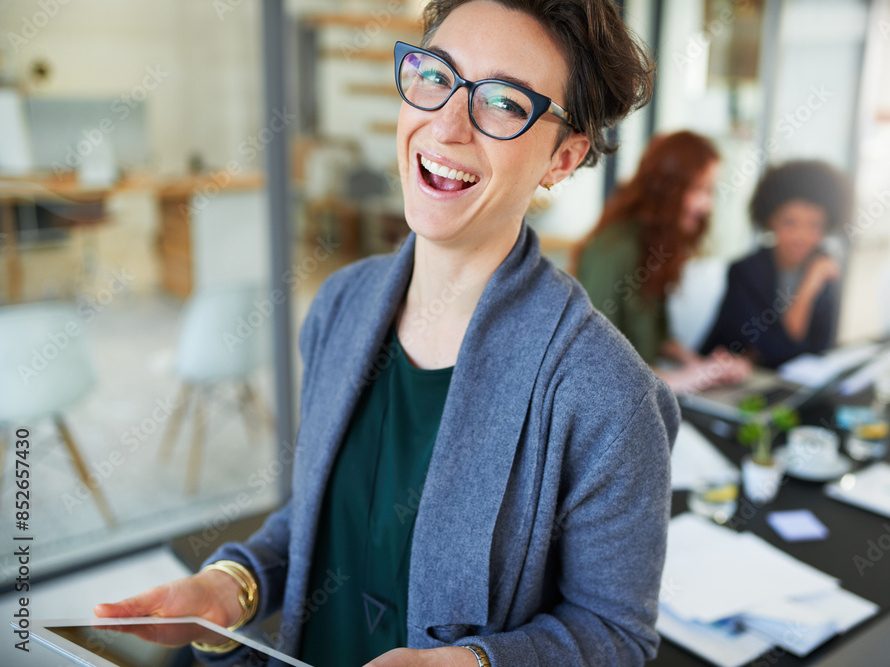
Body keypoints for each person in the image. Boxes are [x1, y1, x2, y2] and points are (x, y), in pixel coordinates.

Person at [94, 2, 679, 666]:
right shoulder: (342, 305)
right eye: (437, 78)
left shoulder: (610, 396)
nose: (448, 124)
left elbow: (616, 633)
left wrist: (470, 663)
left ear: (563, 157)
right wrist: (231, 586)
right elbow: (317, 523)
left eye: (505, 103)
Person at [575, 131, 752, 393]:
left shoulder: (656, 246)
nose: (707, 204)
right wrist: (682, 379)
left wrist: (703, 367)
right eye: (698, 189)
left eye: (709, 190)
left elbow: (657, 338)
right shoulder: (614, 248)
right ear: (666, 187)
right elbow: (593, 362)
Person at [699, 159, 852, 368]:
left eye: (814, 225)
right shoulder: (745, 272)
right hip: (723, 382)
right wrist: (809, 286)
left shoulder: (824, 268)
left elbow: (823, 350)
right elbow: (776, 352)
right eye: (790, 222)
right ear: (770, 220)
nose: (801, 236)